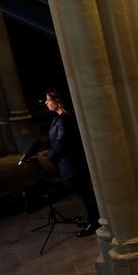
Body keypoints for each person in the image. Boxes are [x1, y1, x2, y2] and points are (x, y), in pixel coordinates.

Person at [44, 88, 101, 237]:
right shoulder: (58, 118)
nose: (46, 102)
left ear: (58, 101)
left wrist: (51, 155)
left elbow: (62, 143)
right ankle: (92, 217)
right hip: (69, 163)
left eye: (48, 100)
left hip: (73, 164)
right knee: (82, 192)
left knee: (84, 192)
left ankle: (95, 221)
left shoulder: (65, 119)